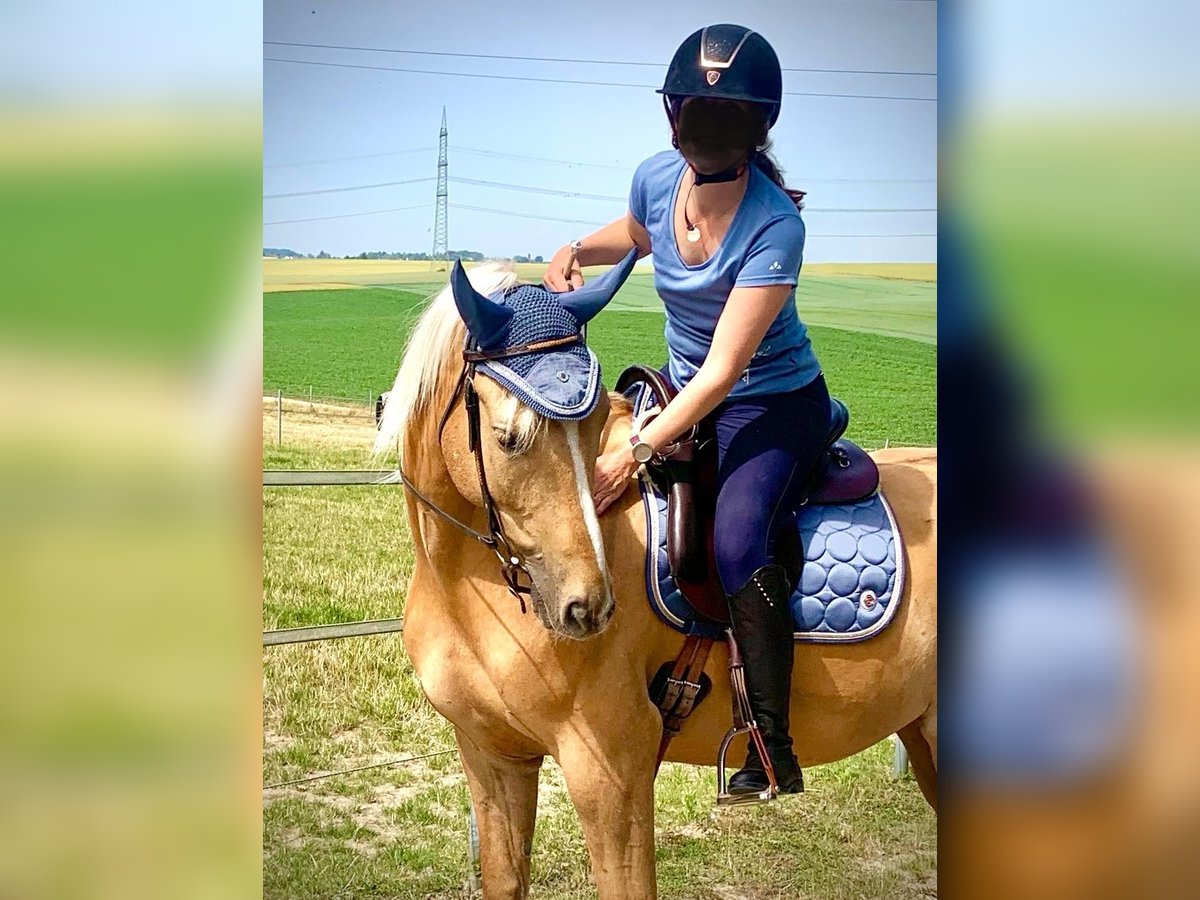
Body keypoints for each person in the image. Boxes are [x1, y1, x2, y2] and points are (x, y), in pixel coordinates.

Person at [543, 24, 829, 795]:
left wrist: (631, 451)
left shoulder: (777, 226)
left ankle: (771, 746)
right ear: (673, 117)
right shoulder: (655, 179)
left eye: (724, 114)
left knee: (737, 540)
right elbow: (635, 234)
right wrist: (577, 249)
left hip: (767, 403)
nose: (704, 126)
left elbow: (724, 374)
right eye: (696, 110)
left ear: (757, 127)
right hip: (679, 386)